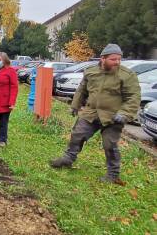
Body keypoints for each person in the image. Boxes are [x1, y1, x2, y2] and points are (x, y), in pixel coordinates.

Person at [50, 44, 140, 184]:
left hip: (113, 116)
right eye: (113, 59)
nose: (117, 62)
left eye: (119, 59)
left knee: (109, 145)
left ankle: (113, 174)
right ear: (103, 58)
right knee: (77, 134)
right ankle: (68, 159)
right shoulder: (91, 72)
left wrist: (124, 113)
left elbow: (133, 97)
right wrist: (75, 105)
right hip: (91, 112)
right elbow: (81, 90)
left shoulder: (127, 75)